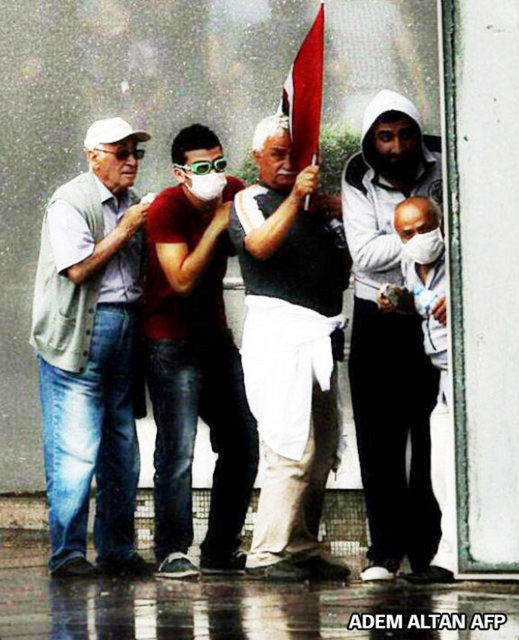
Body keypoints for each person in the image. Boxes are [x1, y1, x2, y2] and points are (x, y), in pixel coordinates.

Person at [229, 114, 351, 581]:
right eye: (277, 154)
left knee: (322, 447)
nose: (286, 164)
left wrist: (338, 213)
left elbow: (343, 266)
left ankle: (301, 543)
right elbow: (259, 246)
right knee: (290, 442)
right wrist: (296, 198)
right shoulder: (250, 200)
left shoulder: (317, 207)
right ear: (258, 156)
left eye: (294, 155)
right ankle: (268, 550)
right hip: (279, 337)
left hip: (320, 336)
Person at [31, 117, 153, 578]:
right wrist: (126, 228)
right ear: (93, 157)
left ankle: (117, 549)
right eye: (121, 153)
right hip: (80, 332)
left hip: (123, 328)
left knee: (121, 447)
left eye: (136, 153)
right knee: (75, 448)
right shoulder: (70, 201)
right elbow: (78, 269)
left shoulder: (133, 203)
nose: (131, 162)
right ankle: (67, 554)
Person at [144, 124, 259, 579]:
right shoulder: (166, 208)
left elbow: (258, 235)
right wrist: (215, 226)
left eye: (220, 163)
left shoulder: (233, 191)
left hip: (215, 337)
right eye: (203, 167)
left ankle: (220, 548)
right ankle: (171, 549)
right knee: (178, 451)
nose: (215, 175)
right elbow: (182, 279)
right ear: (181, 173)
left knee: (242, 441)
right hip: (170, 341)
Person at [341, 90, 442, 581]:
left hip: (437, 307)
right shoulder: (356, 173)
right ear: (371, 141)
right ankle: (383, 551)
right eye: (385, 137)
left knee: (431, 433)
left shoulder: (443, 159)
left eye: (404, 135)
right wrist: (425, 239)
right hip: (378, 314)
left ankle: (431, 551)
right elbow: (363, 255)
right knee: (378, 435)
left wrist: (403, 243)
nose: (397, 147)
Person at [381, 196, 454, 584]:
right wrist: (400, 301)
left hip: (468, 368)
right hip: (441, 371)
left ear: (440, 223)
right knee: (441, 470)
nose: (419, 238)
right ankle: (449, 557)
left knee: (455, 465)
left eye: (426, 228)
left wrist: (459, 302)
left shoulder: (458, 259)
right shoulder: (410, 263)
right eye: (408, 233)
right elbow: (421, 304)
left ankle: (453, 557)